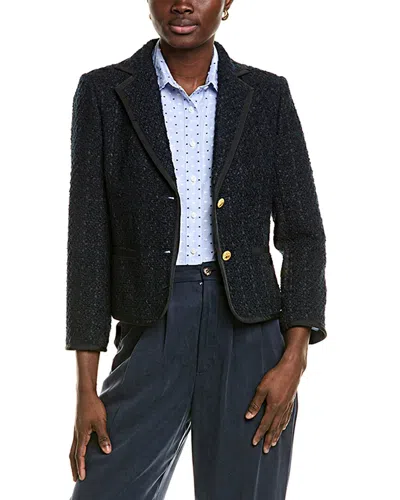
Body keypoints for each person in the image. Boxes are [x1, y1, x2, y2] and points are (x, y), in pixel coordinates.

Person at [66, 1, 327, 498]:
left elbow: (303, 234)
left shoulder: (266, 95)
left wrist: (294, 359)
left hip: (250, 336)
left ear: (226, 4)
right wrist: (85, 389)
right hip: (152, 326)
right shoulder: (103, 93)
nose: (182, 3)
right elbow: (87, 246)